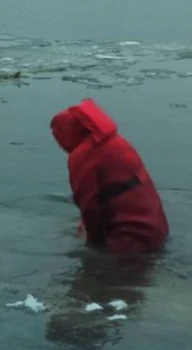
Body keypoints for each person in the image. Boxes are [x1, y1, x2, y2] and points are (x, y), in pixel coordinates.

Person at [50, 98, 169, 256]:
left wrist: (93, 247)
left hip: (131, 239)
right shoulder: (117, 142)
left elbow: (89, 206)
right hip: (156, 229)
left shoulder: (84, 155)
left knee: (99, 274)